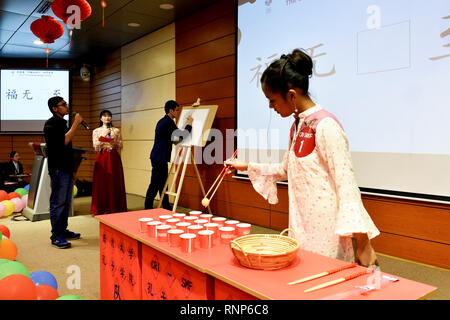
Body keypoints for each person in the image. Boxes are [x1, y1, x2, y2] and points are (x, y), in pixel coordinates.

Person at [225, 49, 380, 267]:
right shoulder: (297, 125)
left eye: (272, 100)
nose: (271, 107)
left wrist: (363, 244)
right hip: (300, 223)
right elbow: (286, 170)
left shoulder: (326, 125)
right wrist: (246, 166)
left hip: (326, 230)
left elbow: (346, 185)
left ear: (291, 95)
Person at [44, 96, 83, 249]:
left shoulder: (63, 124)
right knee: (58, 202)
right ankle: (56, 235)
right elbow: (63, 142)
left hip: (66, 168)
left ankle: (63, 230)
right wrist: (76, 124)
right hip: (58, 169)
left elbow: (68, 150)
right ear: (55, 109)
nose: (67, 106)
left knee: (66, 203)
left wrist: (73, 170)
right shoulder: (51, 124)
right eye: (63, 104)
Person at [145, 100, 193, 210]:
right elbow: (179, 137)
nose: (178, 113)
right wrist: (189, 125)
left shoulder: (164, 121)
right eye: (176, 110)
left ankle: (165, 206)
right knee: (155, 183)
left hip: (159, 157)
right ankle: (147, 207)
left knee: (163, 183)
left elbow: (173, 139)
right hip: (159, 157)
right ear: (171, 111)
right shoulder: (167, 122)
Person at [90, 110, 127, 215]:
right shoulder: (96, 131)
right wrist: (105, 137)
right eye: (104, 116)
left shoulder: (116, 130)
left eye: (109, 116)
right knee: (102, 182)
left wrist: (114, 141)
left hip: (114, 156)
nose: (107, 118)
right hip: (102, 156)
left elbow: (120, 145)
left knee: (114, 180)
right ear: (100, 118)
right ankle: (101, 208)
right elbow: (96, 145)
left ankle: (115, 207)